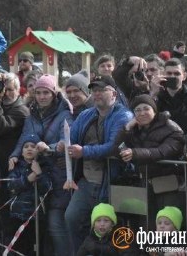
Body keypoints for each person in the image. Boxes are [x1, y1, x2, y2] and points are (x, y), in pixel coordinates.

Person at [62, 75, 132, 250]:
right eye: (94, 90)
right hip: (86, 181)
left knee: (111, 230)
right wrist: (57, 145)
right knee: (72, 218)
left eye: (101, 89)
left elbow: (113, 147)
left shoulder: (124, 116)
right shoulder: (86, 114)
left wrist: (84, 151)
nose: (96, 93)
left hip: (112, 182)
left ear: (114, 94)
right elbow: (70, 138)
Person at [9, 74, 73, 256]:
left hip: (57, 173)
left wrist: (49, 148)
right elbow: (24, 137)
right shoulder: (31, 116)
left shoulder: (64, 115)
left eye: (46, 92)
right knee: (40, 228)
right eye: (38, 93)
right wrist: (15, 155)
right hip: (38, 172)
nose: (42, 96)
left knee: (55, 224)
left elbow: (67, 140)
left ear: (54, 94)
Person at [113, 94, 185, 212]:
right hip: (144, 184)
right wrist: (126, 129)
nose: (142, 113)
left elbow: (163, 151)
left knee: (168, 220)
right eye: (138, 110)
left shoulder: (171, 127)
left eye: (146, 108)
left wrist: (135, 153)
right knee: (147, 220)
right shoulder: (134, 129)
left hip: (167, 184)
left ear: (154, 111)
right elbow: (116, 150)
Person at [6, 134, 53, 256]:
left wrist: (39, 174)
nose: (29, 149)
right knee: (17, 249)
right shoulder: (16, 167)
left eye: (33, 146)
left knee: (34, 249)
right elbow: (11, 186)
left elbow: (47, 188)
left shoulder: (44, 166)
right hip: (17, 215)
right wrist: (28, 179)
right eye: (26, 146)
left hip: (36, 218)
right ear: (21, 152)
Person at [156, 59, 187, 135]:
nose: (173, 76)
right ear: (163, 74)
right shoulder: (157, 97)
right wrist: (153, 93)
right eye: (169, 73)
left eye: (177, 73)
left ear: (184, 76)